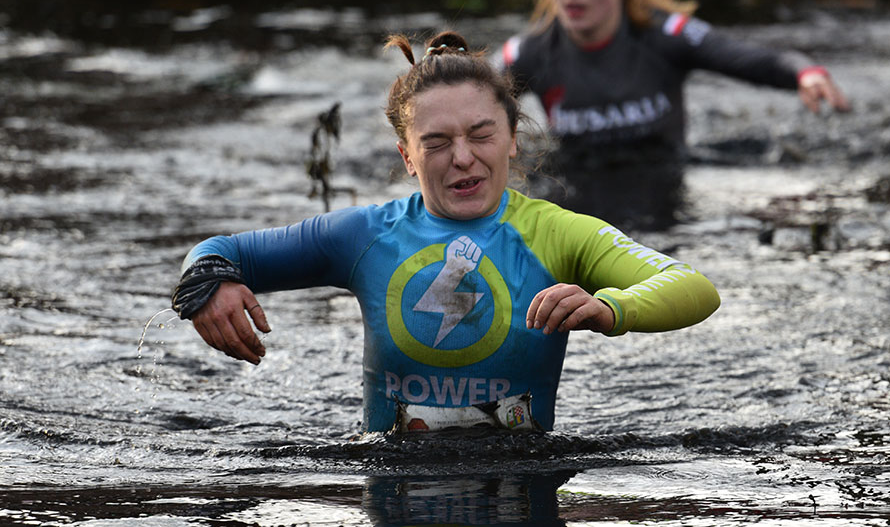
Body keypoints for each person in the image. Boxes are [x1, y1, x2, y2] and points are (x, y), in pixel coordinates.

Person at [171, 31, 721, 434]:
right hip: (393, 488)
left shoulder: (558, 234)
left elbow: (693, 287)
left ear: (512, 140)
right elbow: (217, 253)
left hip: (524, 490)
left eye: (482, 135)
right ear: (407, 156)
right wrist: (208, 287)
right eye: (436, 143)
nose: (463, 159)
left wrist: (611, 310)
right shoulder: (363, 236)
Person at [498, 0, 850, 229]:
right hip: (577, 205)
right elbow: (469, 84)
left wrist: (806, 73)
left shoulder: (666, 35)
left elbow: (752, 59)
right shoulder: (531, 52)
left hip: (665, 204)